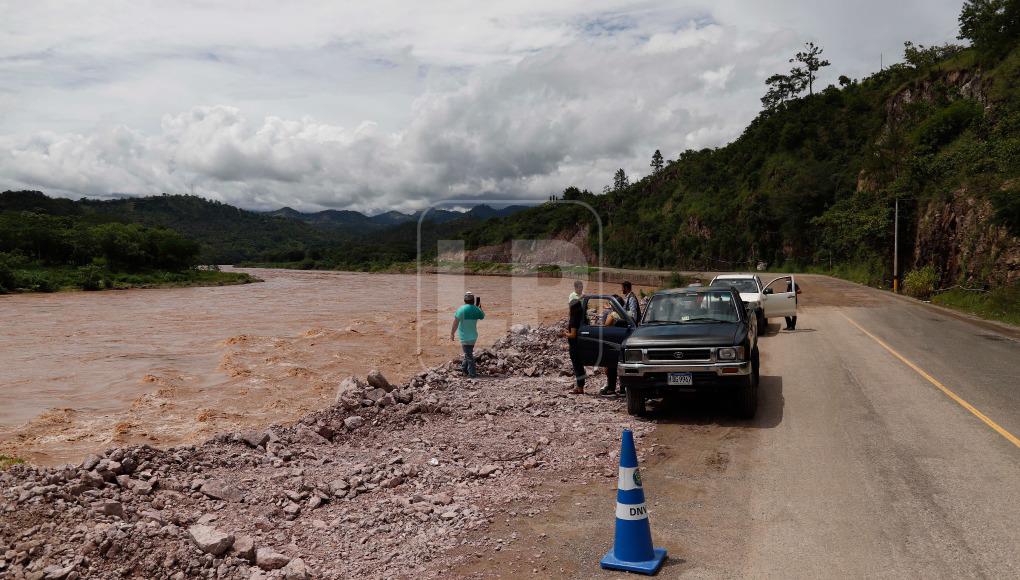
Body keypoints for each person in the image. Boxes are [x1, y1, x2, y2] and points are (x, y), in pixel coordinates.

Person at [450, 291, 485, 377]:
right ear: (473, 300)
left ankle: (472, 374)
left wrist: (452, 333)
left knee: (469, 355)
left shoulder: (461, 309)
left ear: (464, 300)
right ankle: (464, 369)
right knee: (468, 353)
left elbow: (455, 323)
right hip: (473, 336)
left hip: (464, 337)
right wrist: (479, 308)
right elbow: (482, 316)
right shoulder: (477, 309)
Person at [563, 298, 586, 394]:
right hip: (580, 345)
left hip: (574, 346)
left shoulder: (573, 319)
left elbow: (573, 334)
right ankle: (580, 386)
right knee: (580, 366)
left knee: (577, 367)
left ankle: (580, 388)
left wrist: (564, 333)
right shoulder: (581, 316)